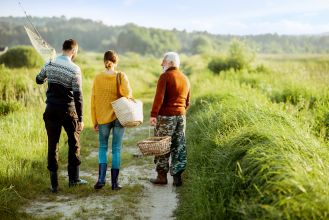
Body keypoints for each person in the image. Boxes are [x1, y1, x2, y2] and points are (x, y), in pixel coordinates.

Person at [36, 39, 87, 193]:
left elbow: (38, 80)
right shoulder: (75, 69)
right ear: (73, 51)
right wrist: (81, 119)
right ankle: (74, 180)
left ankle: (54, 185)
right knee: (74, 143)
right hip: (69, 111)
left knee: (53, 144)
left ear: (62, 48)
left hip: (51, 109)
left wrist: (47, 74)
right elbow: (78, 96)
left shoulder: (50, 63)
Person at [91, 50, 132, 190]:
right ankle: (114, 183)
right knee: (116, 149)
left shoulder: (97, 78)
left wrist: (94, 120)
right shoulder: (121, 76)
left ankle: (101, 180)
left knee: (103, 147)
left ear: (104, 61)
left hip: (103, 117)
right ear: (116, 62)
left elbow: (94, 101)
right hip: (119, 116)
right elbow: (128, 94)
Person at [149, 52, 190, 187]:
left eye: (164, 62)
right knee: (179, 145)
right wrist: (180, 113)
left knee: (163, 145)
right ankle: (177, 177)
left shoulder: (165, 77)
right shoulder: (185, 78)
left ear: (171, 63)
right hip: (181, 117)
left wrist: (154, 115)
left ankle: (162, 176)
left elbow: (159, 98)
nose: (162, 64)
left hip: (166, 117)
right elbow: (187, 102)